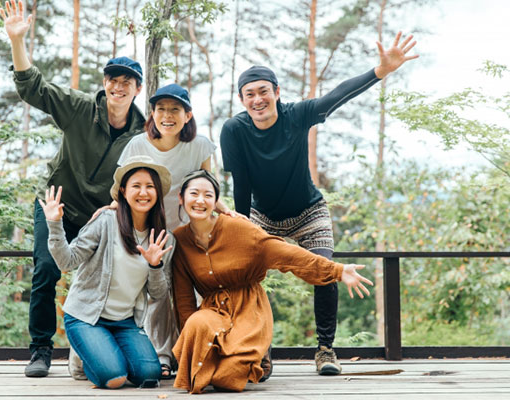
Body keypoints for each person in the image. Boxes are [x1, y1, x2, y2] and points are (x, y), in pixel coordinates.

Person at [220, 31, 418, 376]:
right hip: (261, 215)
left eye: (264, 91)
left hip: (308, 211)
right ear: (241, 99)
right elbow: (241, 184)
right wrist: (242, 229)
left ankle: (326, 350)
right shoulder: (234, 130)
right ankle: (258, 351)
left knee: (324, 270)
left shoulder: (296, 115)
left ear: (277, 92)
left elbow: (336, 96)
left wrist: (380, 71)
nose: (257, 99)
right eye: (249, 94)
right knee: (247, 275)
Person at [0, 0, 146, 377]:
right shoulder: (80, 108)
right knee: (46, 270)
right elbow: (34, 88)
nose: (118, 86)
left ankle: (98, 349)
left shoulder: (141, 134)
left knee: (109, 277)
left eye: (126, 82)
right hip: (56, 206)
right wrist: (17, 41)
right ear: (105, 83)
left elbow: (155, 173)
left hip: (100, 216)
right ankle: (40, 350)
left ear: (137, 89)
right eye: (112, 80)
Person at [170, 170, 373, 394]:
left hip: (248, 309)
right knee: (197, 324)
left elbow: (286, 254)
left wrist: (337, 270)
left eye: (208, 195)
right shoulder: (180, 239)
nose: (200, 200)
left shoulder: (239, 228)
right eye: (194, 194)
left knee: (227, 379)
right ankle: (233, 358)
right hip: (213, 312)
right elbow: (183, 299)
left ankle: (256, 355)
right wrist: (190, 345)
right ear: (181, 197)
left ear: (215, 201)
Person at [91, 83, 238, 378]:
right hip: (150, 230)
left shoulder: (200, 145)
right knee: (156, 293)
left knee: (192, 293)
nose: (167, 116)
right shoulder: (137, 145)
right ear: (153, 114)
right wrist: (109, 208)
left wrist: (225, 211)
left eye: (175, 109)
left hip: (187, 232)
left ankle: (197, 352)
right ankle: (161, 356)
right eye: (160, 109)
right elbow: (125, 187)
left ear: (187, 115)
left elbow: (206, 187)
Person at [39, 156, 176, 389]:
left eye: (150, 186)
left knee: (149, 375)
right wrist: (54, 224)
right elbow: (66, 261)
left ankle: (103, 351)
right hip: (86, 317)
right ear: (123, 191)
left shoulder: (164, 239)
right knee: (114, 378)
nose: (143, 193)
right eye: (136, 186)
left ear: (158, 192)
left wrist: (155, 266)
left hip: (126, 322)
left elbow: (158, 294)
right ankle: (85, 357)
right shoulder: (106, 221)